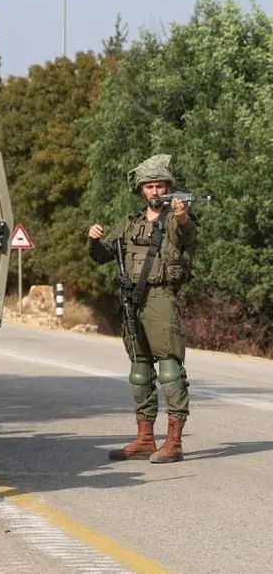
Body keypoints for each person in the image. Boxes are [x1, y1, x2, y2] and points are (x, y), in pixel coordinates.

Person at [88, 154, 197, 464]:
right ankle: (145, 438)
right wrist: (93, 240)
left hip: (161, 298)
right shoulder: (129, 223)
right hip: (131, 301)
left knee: (169, 369)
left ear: (169, 188)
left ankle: (173, 441)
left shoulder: (177, 220)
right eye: (149, 186)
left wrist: (184, 217)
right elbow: (102, 255)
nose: (154, 191)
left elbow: (189, 238)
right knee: (139, 370)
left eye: (160, 185)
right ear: (141, 189)